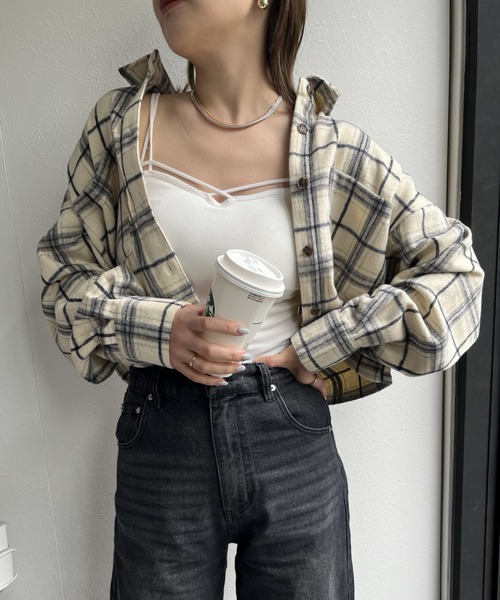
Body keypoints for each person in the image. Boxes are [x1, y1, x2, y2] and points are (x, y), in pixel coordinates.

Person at [37, 0, 484, 598]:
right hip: (163, 435)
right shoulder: (121, 128)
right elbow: (64, 279)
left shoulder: (332, 152)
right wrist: (161, 332)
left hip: (290, 435)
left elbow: (456, 275)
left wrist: (323, 345)